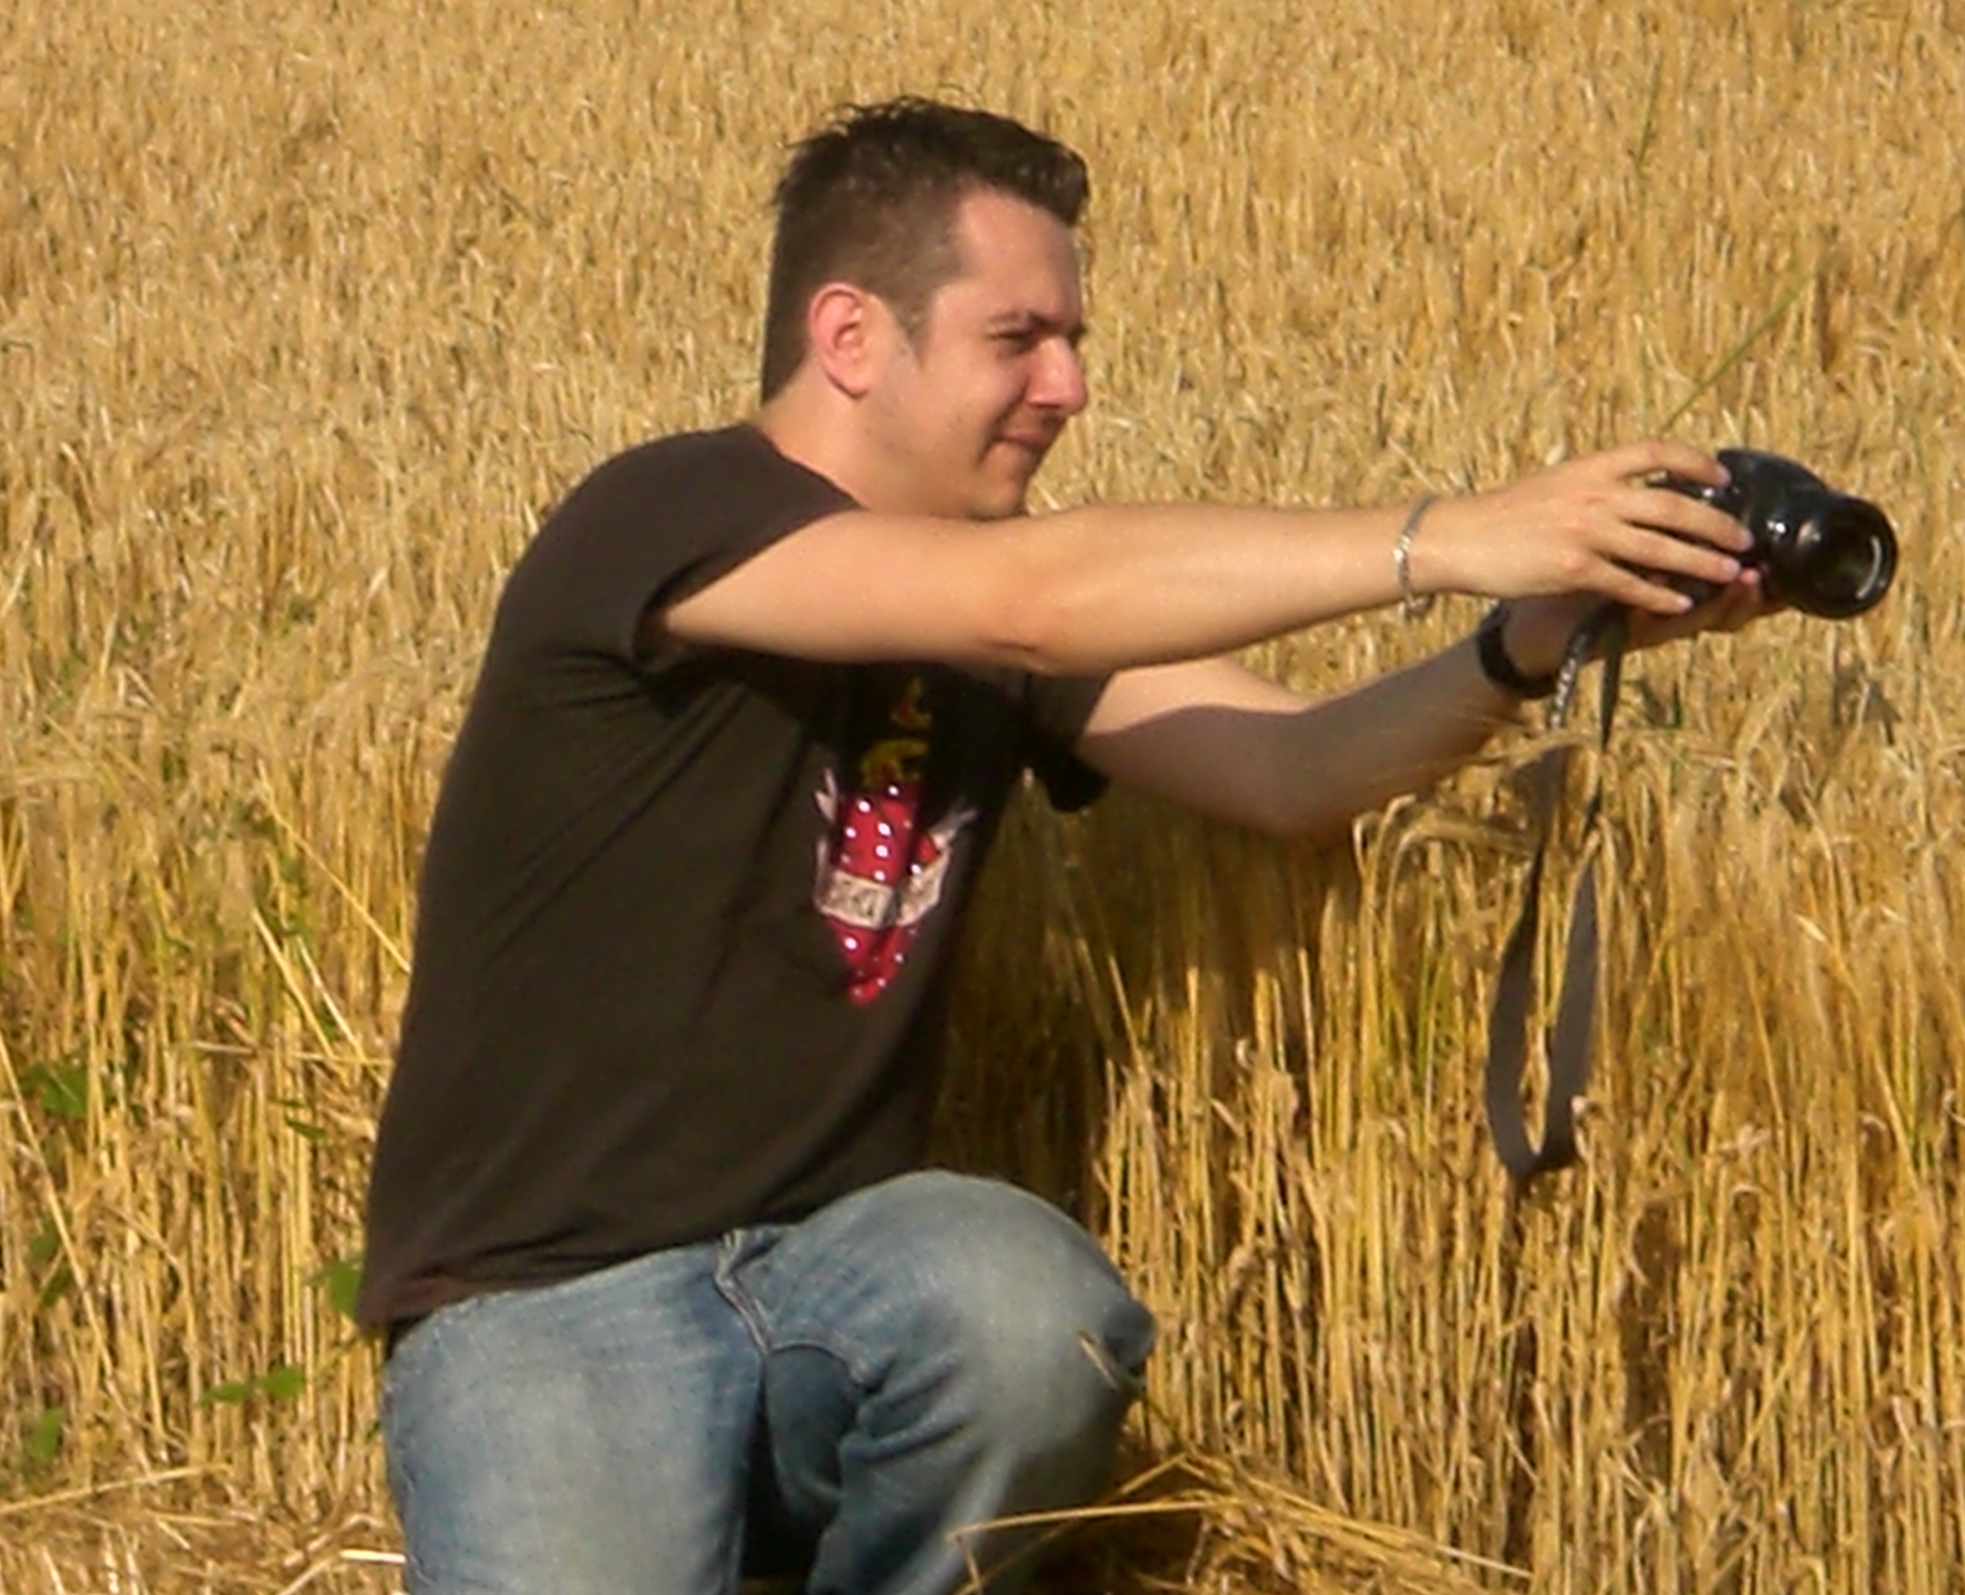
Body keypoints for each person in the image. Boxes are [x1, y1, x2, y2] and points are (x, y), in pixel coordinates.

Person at [357, 98, 1765, 1595]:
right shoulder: (665, 513)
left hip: (837, 1280)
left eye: (1074, 339)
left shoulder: (993, 617)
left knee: (1029, 1313)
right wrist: (1450, 535)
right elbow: (1034, 600)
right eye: (1018, 339)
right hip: (549, 1299)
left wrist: (1521, 644)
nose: (1071, 386)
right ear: (850, 337)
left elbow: (1294, 768)